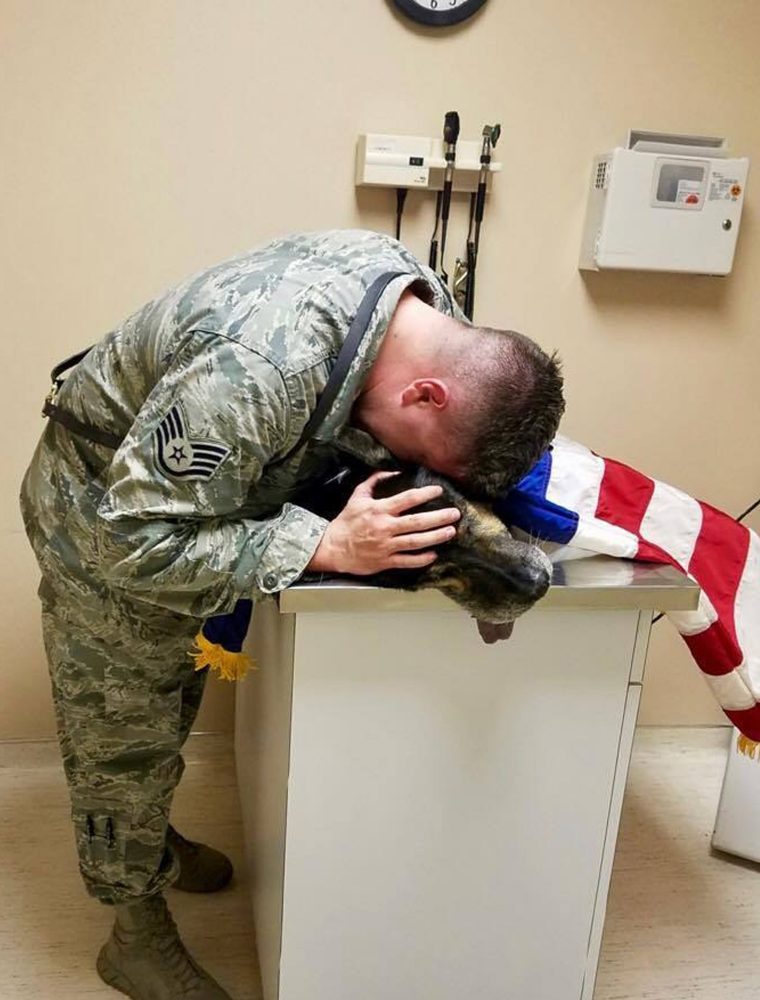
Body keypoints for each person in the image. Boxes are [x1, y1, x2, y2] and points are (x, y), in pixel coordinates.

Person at [20, 229, 564, 1000]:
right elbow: (132, 544)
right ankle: (132, 933)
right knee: (120, 730)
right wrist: (328, 545)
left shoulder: (422, 303)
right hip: (102, 521)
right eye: (426, 454)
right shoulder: (255, 371)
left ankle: (148, 836)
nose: (416, 470)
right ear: (426, 394)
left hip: (193, 495)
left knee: (168, 694)